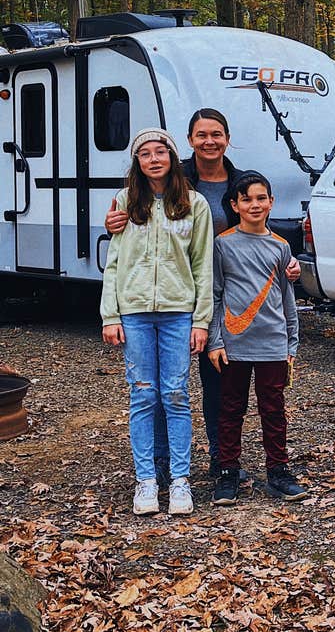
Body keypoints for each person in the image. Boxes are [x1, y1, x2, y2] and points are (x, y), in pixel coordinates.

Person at [105, 108, 300, 481]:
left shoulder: (241, 181)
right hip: (182, 293)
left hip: (227, 299)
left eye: (216, 134)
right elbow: (135, 221)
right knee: (163, 385)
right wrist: (113, 221)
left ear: (227, 138)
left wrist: (289, 265)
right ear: (190, 141)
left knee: (218, 384)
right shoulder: (178, 179)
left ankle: (221, 462)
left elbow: (260, 227)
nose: (209, 141)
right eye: (201, 135)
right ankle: (164, 462)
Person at [100, 129, 213, 516]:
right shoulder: (125, 203)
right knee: (143, 394)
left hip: (178, 313)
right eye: (144, 154)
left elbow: (202, 265)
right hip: (133, 313)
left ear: (172, 157)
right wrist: (110, 314)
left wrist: (201, 320)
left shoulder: (194, 204)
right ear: (137, 162)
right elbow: (114, 263)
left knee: (176, 394)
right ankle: (146, 479)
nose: (153, 159)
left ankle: (180, 480)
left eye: (160, 152)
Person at [207, 171, 307, 506]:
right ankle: (227, 473)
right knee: (231, 408)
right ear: (234, 205)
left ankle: (278, 471)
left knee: (273, 409)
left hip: (273, 344)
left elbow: (287, 297)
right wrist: (215, 340)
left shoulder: (281, 247)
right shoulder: (223, 245)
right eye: (246, 199)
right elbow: (215, 295)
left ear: (271, 202)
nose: (254, 205)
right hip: (234, 344)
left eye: (261, 198)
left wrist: (291, 343)